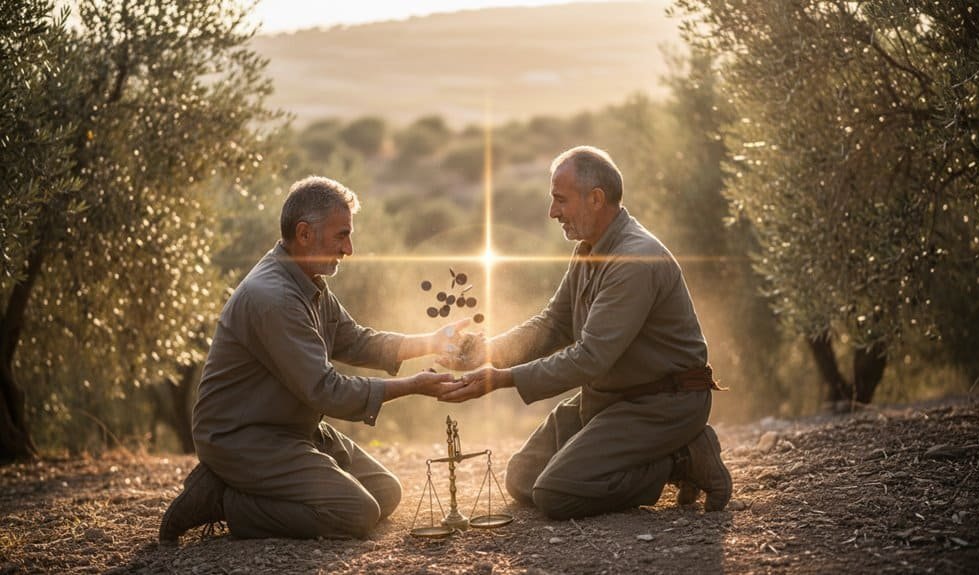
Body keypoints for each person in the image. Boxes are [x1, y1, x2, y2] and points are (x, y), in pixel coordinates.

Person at [159, 176, 465, 543]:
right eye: (341, 235)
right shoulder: (274, 298)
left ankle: (250, 487)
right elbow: (325, 390)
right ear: (304, 234)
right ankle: (221, 499)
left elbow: (355, 341)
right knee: (356, 513)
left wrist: (431, 341)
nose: (349, 248)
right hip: (244, 437)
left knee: (385, 491)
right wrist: (413, 386)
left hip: (292, 429)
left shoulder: (309, 279)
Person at [439, 146, 732, 520]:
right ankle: (666, 456)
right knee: (522, 477)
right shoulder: (588, 250)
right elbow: (553, 324)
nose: (552, 212)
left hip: (661, 403)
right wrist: (484, 354)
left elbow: (591, 358)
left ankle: (683, 459)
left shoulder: (634, 259)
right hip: (610, 400)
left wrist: (503, 379)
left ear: (596, 199)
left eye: (560, 200)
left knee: (555, 494)